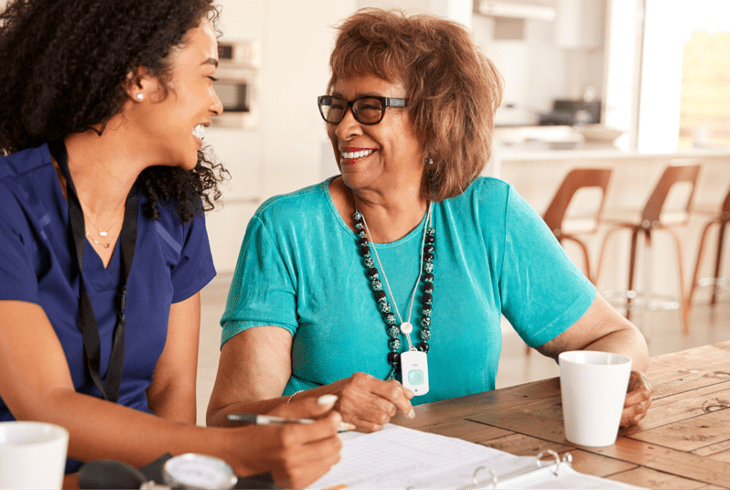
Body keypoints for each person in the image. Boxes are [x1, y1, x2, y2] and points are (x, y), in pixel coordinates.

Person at [207, 8, 652, 434]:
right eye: (338, 106)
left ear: (435, 118)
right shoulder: (286, 229)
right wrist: (320, 405)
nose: (343, 129)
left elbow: (616, 337)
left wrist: (616, 385)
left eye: (369, 108)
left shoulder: (489, 214)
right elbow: (230, 417)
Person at [0, 1, 341, 488]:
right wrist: (236, 452)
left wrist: (186, 476)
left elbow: (173, 387)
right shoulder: (8, 205)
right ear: (139, 80)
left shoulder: (174, 211)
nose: (217, 103)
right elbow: (46, 404)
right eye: (206, 76)